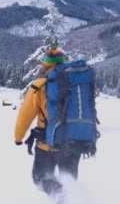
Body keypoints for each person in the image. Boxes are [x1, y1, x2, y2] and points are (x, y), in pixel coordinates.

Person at [14, 48, 80, 197]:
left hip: (46, 146)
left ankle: (58, 195)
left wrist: (18, 138)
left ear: (47, 65)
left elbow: (25, 116)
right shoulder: (76, 85)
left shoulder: (39, 86)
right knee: (70, 183)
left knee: (40, 179)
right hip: (72, 146)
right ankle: (72, 198)